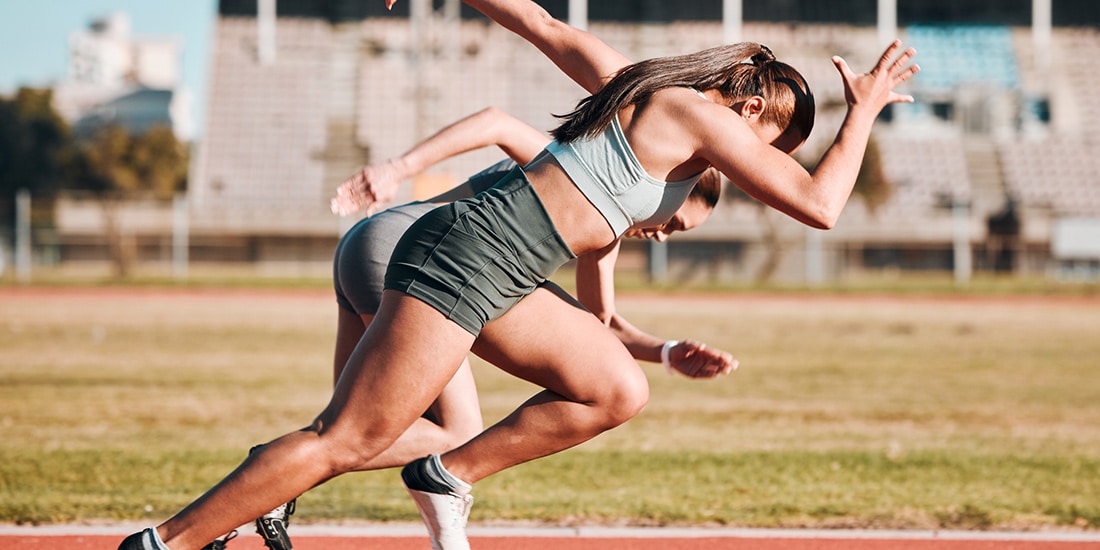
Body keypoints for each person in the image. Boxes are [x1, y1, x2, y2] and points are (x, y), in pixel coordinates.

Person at [119, 0, 917, 546]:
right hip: (472, 252)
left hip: (506, 268)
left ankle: (446, 473)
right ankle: (164, 542)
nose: (763, 162)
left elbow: (535, 20)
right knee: (351, 437)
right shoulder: (698, 114)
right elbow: (820, 205)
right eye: (775, 140)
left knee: (615, 388)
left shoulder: (641, 91)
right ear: (752, 109)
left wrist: (663, 351)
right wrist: (867, 108)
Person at [245, 106, 735, 550]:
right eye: (672, 224)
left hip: (369, 245)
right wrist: (398, 168)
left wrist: (667, 352)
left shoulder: (605, 223)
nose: (658, 234)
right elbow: (496, 123)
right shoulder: (582, 171)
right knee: (453, 432)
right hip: (411, 254)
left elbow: (598, 328)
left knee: (345, 429)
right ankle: (270, 479)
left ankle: (259, 487)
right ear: (671, 181)